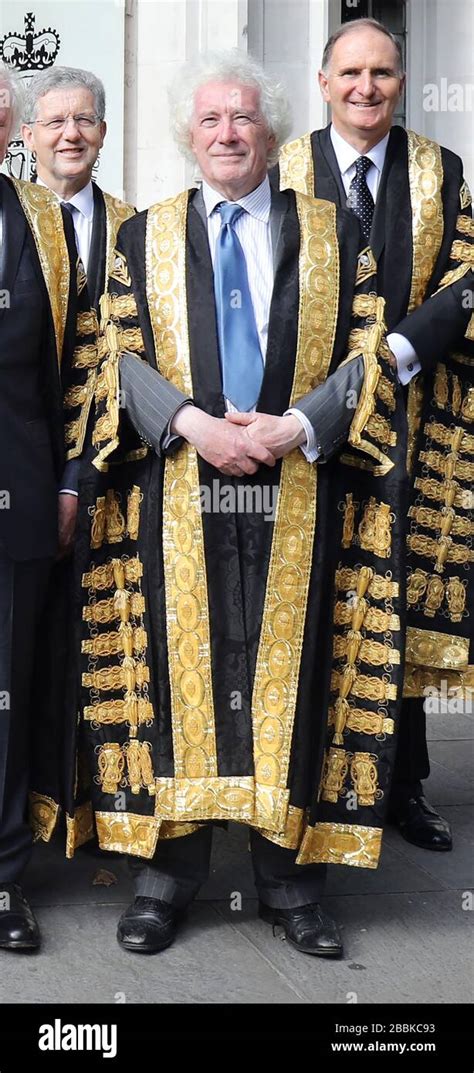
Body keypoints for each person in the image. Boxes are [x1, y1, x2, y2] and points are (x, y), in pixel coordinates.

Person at [72, 49, 407, 959]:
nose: (228, 133)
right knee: (183, 666)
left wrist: (296, 426)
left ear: (273, 132)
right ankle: (167, 878)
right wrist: (193, 422)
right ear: (190, 134)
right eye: (212, 120)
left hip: (297, 486)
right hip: (180, 484)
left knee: (285, 668)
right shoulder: (145, 237)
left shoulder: (336, 232)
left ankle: (289, 880)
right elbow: (116, 351)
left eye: (245, 119)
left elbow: (370, 350)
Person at [272, 17, 474, 852]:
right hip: (308, 418)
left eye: (383, 73)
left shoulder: (441, 168)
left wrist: (396, 349)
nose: (367, 87)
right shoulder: (279, 168)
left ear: (401, 80)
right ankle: (305, 781)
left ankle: (404, 786)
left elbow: (468, 280)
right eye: (351, 71)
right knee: (316, 591)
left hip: (413, 408)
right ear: (323, 82)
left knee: (395, 584)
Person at [0, 62, 94, 950]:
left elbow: (69, 375)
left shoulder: (39, 227)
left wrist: (68, 482)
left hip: (18, 494)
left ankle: (3, 878)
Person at [22, 66, 135, 312]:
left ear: (102, 132)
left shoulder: (132, 226)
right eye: (56, 122)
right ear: (29, 137)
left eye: (84, 120)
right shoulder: (8, 220)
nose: (72, 134)